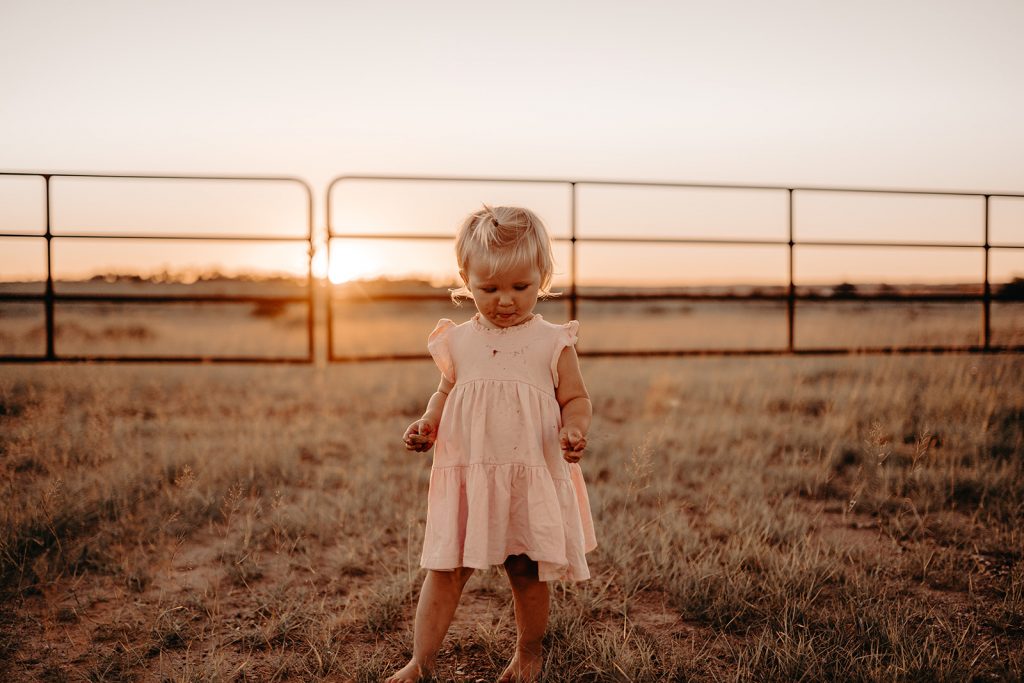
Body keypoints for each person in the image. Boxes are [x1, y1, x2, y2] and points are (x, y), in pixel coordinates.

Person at [387, 205, 597, 683]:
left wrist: (574, 427)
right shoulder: (458, 341)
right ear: (466, 278)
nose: (506, 301)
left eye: (520, 287)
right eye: (490, 289)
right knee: (445, 569)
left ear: (542, 276)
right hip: (469, 474)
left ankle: (528, 656)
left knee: (526, 571)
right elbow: (445, 392)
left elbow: (577, 398)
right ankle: (420, 663)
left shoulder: (552, 342)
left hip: (528, 474)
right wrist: (427, 422)